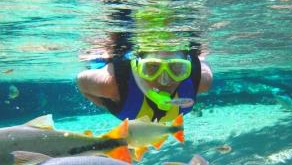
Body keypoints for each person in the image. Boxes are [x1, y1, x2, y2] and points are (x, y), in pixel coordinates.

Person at [77, 37, 212, 123]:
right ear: (138, 66)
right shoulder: (111, 85)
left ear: (187, 68)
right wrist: (110, 105)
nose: (164, 81)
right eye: (152, 68)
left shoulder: (202, 81)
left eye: (176, 68)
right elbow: (81, 83)